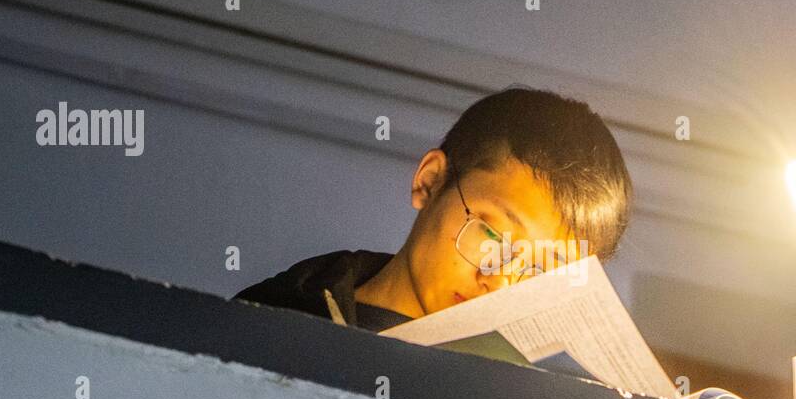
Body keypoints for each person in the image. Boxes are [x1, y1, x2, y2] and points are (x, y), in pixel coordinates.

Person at [233, 86, 634, 334]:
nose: (498, 283)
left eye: (540, 271)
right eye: (492, 237)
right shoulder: (267, 323)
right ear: (430, 180)